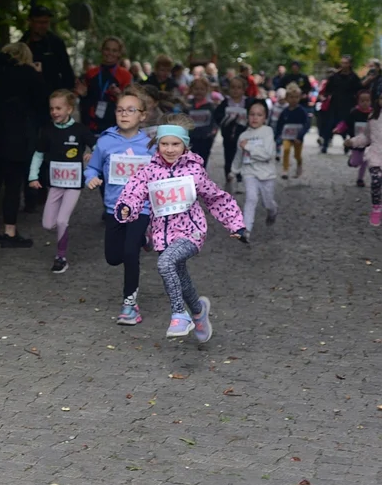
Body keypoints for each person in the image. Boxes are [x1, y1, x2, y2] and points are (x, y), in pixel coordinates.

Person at [115, 120, 246, 341]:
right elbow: (133, 193)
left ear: (185, 145)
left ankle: (179, 314)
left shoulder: (194, 171)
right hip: (162, 236)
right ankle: (198, 312)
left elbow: (215, 197)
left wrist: (236, 224)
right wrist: (127, 208)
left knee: (165, 264)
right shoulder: (149, 171)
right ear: (158, 145)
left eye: (175, 144)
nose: (169, 149)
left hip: (190, 233)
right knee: (180, 276)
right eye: (164, 144)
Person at [83, 84, 156, 325]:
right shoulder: (105, 142)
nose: (124, 114)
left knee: (129, 252)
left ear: (142, 116)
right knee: (113, 257)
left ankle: (129, 305)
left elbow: (163, 172)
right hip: (114, 208)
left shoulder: (151, 144)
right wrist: (90, 177)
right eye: (120, 110)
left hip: (141, 209)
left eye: (130, 110)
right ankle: (145, 240)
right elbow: (92, 166)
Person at [0, 41, 44, 247]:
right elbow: (41, 103)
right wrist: (38, 74)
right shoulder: (28, 74)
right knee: (13, 185)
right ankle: (10, 231)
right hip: (18, 136)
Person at [28, 89, 95, 273]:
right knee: (48, 224)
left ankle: (61, 257)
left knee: (62, 220)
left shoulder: (80, 130)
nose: (54, 112)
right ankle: (60, 241)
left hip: (74, 185)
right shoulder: (47, 131)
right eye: (52, 109)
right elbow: (38, 154)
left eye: (59, 108)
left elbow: (97, 146)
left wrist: (92, 155)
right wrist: (33, 176)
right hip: (55, 184)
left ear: (69, 109)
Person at [232, 100, 278, 239]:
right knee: (251, 198)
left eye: (259, 115)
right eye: (252, 114)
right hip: (249, 172)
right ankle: (246, 231)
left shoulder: (267, 132)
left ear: (265, 118)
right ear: (247, 117)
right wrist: (233, 171)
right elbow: (239, 156)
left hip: (267, 174)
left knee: (267, 202)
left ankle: (273, 211)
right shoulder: (243, 136)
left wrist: (249, 147)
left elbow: (267, 155)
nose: (255, 118)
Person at [79, 37, 133, 133]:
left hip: (115, 125)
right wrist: (83, 95)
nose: (110, 53)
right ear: (102, 50)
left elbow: (131, 103)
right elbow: (85, 101)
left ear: (119, 53)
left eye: (114, 50)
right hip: (91, 124)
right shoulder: (91, 73)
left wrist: (119, 95)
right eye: (107, 49)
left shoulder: (125, 76)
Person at [344, 92, 382, 226]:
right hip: (376, 155)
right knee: (376, 182)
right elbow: (366, 137)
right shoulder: (373, 117)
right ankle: (376, 208)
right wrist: (353, 142)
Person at [23, 5, 75, 92]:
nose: (43, 26)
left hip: (52, 95)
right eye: (39, 22)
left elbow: (67, 72)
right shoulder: (23, 44)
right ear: (30, 22)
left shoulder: (56, 43)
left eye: (46, 22)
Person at [319, 56, 363, 154]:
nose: (344, 65)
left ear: (350, 64)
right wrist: (325, 97)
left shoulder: (354, 77)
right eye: (342, 63)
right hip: (335, 104)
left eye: (346, 63)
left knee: (348, 126)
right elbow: (328, 90)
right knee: (330, 125)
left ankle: (349, 145)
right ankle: (325, 145)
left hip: (349, 105)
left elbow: (359, 90)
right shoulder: (335, 77)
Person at [214, 77, 250, 185]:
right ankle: (228, 179)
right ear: (229, 89)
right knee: (229, 158)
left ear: (243, 89)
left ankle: (240, 179)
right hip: (228, 136)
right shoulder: (225, 103)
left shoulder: (248, 102)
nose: (236, 90)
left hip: (243, 136)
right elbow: (217, 116)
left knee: (242, 157)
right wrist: (225, 119)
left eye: (239, 88)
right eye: (233, 87)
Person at [334, 90, 374, 186]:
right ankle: (352, 161)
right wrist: (338, 128)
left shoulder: (373, 114)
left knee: (365, 161)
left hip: (368, 143)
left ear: (371, 101)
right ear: (358, 101)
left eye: (367, 100)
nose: (365, 103)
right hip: (356, 142)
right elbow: (345, 123)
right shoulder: (354, 112)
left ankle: (360, 179)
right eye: (362, 101)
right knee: (356, 163)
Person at [275, 83, 310, 178]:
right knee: (286, 150)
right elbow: (280, 124)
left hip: (298, 137)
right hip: (287, 136)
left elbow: (307, 124)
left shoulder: (302, 111)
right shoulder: (285, 112)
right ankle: (285, 170)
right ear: (287, 98)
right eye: (291, 97)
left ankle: (299, 164)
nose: (294, 99)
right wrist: (277, 136)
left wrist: (300, 136)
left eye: (296, 97)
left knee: (297, 155)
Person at [185, 78, 218, 168]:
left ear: (206, 90)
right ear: (192, 90)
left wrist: (212, 133)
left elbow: (215, 121)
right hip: (191, 137)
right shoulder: (188, 105)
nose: (199, 91)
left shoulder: (210, 106)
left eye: (202, 89)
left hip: (206, 138)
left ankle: (201, 177)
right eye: (196, 89)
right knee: (191, 159)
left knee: (203, 159)